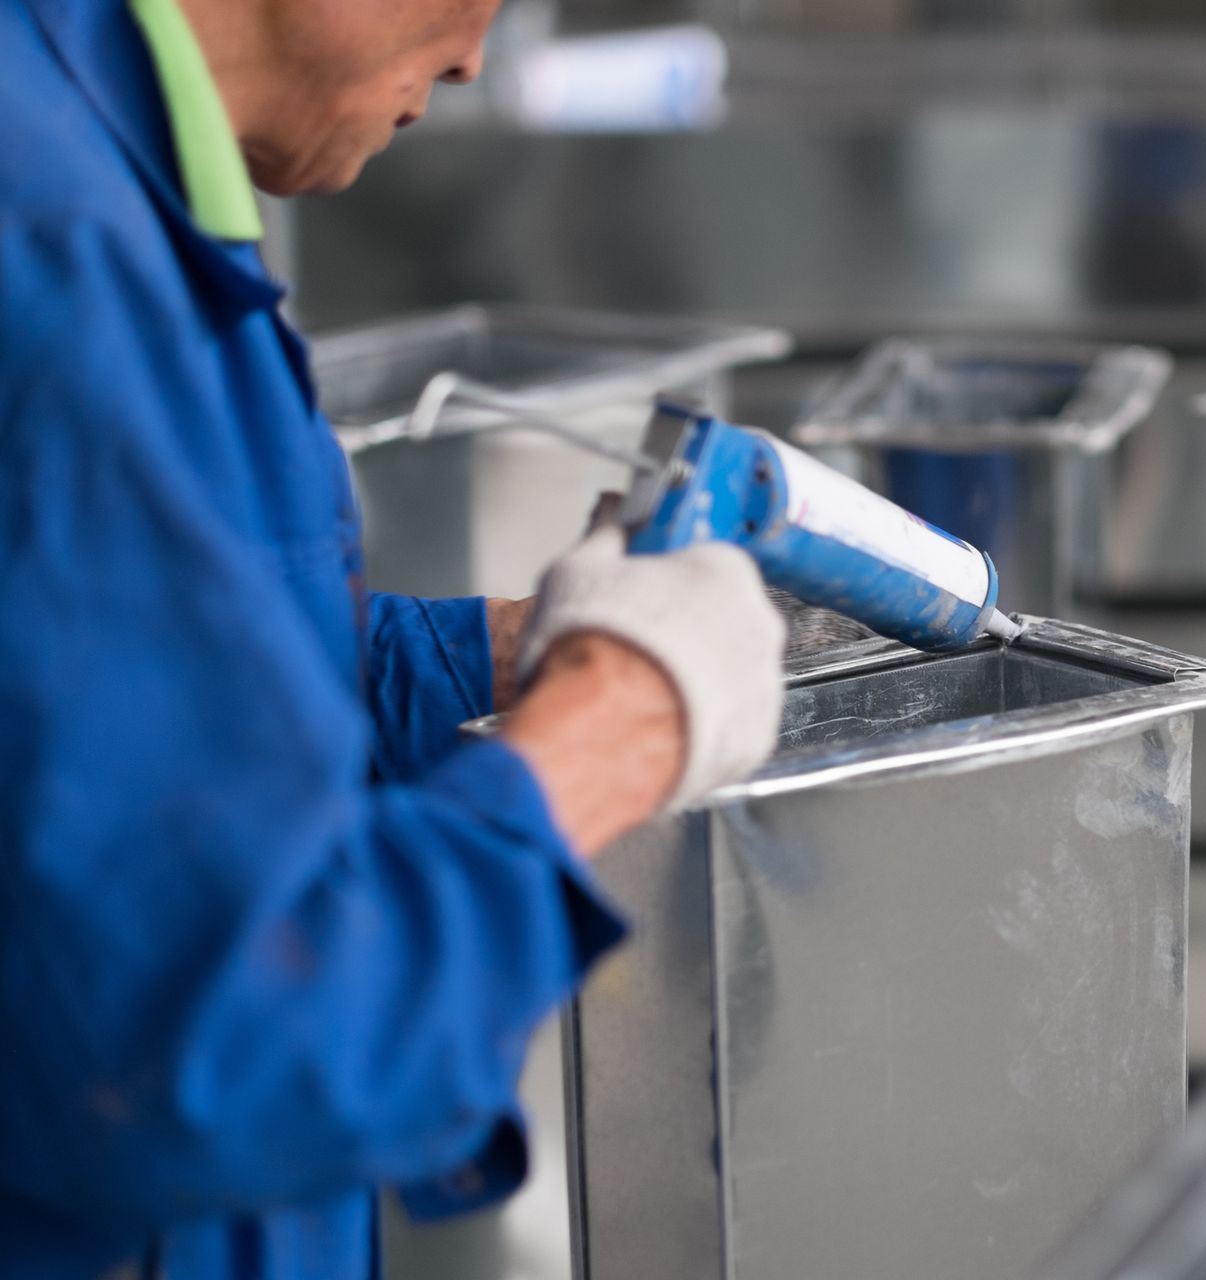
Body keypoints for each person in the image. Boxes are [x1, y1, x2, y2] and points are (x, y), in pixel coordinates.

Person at [0, 0, 787, 1273]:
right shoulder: (58, 252)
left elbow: (94, 695)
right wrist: (610, 731)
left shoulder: (101, 170)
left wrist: (493, 659)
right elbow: (228, 1049)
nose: (478, 54)